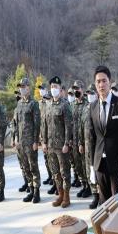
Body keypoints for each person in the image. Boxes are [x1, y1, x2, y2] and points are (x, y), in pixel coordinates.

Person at [87, 65, 118, 205]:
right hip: (100, 162)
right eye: (98, 81)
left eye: (104, 81)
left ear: (109, 82)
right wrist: (92, 166)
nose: (101, 84)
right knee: (104, 202)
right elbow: (91, 138)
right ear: (95, 84)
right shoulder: (92, 107)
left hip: (116, 162)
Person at [42, 76, 73, 208]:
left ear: (61, 89)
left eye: (56, 87)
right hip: (50, 145)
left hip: (61, 146)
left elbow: (68, 126)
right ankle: (60, 194)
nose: (54, 89)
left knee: (64, 172)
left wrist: (67, 143)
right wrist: (43, 142)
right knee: (55, 172)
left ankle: (66, 196)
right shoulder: (47, 105)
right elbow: (44, 125)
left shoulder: (65, 105)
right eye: (52, 87)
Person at [14, 78, 41, 203]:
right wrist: (15, 139)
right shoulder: (19, 104)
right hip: (21, 142)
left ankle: (36, 192)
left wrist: (36, 141)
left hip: (30, 142)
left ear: (28, 88)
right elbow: (16, 123)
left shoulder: (33, 104)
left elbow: (37, 124)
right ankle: (30, 189)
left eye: (24, 86)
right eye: (20, 86)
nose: (22, 88)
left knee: (33, 166)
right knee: (25, 167)